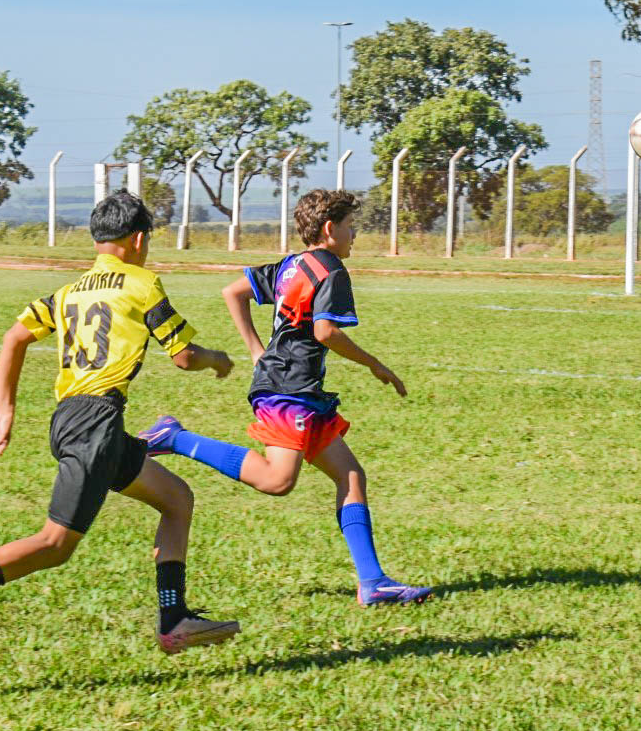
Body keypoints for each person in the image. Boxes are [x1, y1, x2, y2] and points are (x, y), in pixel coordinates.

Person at [0, 192, 240, 660]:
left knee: (177, 499)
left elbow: (15, 335)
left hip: (82, 420)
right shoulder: (143, 283)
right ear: (139, 240)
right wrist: (217, 360)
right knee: (55, 544)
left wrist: (4, 409)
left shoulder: (70, 291)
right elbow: (183, 356)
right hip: (94, 423)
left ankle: (175, 618)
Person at [136, 188, 433, 607]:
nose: (355, 236)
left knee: (350, 476)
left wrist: (257, 349)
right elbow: (325, 332)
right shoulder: (331, 271)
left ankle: (373, 582)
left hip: (299, 389)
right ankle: (175, 437)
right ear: (330, 229)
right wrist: (374, 364)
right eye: (351, 227)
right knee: (278, 480)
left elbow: (232, 292)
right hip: (289, 390)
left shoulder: (292, 265)